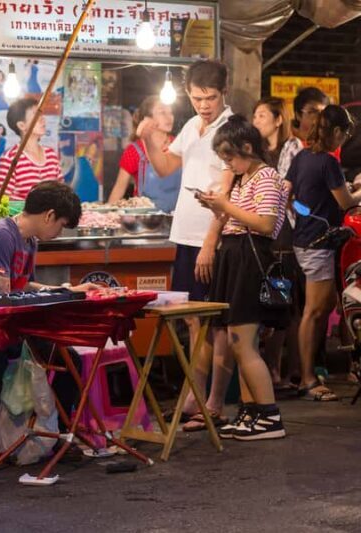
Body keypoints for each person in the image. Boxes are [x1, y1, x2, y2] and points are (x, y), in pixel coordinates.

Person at [0, 182, 96, 475]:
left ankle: (58, 438)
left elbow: (23, 285)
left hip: (10, 324)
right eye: (61, 225)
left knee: (67, 357)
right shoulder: (0, 236)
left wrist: (66, 290)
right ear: (49, 215)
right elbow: (1, 296)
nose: (59, 233)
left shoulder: (29, 242)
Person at [136, 59, 234, 429]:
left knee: (217, 323)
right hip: (185, 234)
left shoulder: (231, 128)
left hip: (213, 238)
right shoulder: (192, 125)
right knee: (193, 320)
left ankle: (215, 402)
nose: (204, 105)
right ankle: (195, 395)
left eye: (210, 98)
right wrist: (148, 139)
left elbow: (227, 193)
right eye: (196, 98)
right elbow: (165, 167)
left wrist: (210, 243)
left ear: (224, 92)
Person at [198, 115, 289, 440]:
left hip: (250, 259)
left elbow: (265, 224)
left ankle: (270, 416)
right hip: (234, 256)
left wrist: (225, 205)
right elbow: (238, 217)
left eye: (230, 157)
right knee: (238, 343)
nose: (228, 165)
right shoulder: (244, 177)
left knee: (244, 342)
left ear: (247, 148)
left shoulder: (266, 176)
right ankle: (251, 412)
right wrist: (217, 207)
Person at [286, 105, 361, 401]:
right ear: (337, 132)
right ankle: (307, 380)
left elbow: (288, 195)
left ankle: (309, 373)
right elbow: (345, 203)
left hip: (304, 239)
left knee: (324, 305)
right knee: (314, 312)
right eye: (344, 135)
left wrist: (306, 211)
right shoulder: (328, 162)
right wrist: (359, 190)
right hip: (318, 244)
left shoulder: (302, 157)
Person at [253, 97, 304, 391]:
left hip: (284, 234)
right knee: (272, 300)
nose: (256, 120)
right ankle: (277, 369)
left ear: (278, 119)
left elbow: (285, 191)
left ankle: (286, 370)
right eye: (255, 115)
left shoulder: (292, 148)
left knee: (282, 300)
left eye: (262, 115)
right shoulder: (258, 151)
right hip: (264, 232)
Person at [107, 96, 182, 212]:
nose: (169, 117)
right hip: (145, 218)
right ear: (148, 119)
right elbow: (119, 189)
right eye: (162, 112)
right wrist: (107, 215)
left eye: (170, 112)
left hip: (178, 216)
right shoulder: (134, 151)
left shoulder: (180, 145)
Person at [0, 98, 63, 201]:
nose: (42, 119)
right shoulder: (10, 158)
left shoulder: (51, 155)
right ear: (21, 125)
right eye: (36, 115)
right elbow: (3, 201)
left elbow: (62, 192)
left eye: (41, 114)